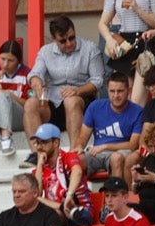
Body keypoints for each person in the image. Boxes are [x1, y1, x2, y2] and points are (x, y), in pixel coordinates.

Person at [26, 15, 105, 148]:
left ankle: (74, 152)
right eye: (63, 41)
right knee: (30, 104)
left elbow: (98, 80)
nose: (69, 43)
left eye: (71, 38)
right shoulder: (45, 52)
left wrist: (77, 91)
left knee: (71, 100)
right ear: (54, 40)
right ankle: (36, 153)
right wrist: (36, 81)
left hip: (81, 101)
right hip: (52, 103)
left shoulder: (90, 49)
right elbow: (34, 73)